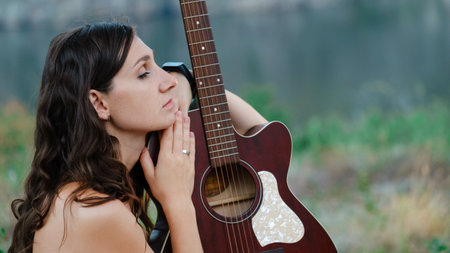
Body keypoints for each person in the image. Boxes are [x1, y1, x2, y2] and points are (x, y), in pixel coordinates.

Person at [8, 22, 267, 253]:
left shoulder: (91, 193)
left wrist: (195, 81)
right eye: (144, 73)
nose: (168, 81)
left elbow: (268, 145)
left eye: (156, 64)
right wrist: (177, 201)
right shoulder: (98, 213)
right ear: (99, 103)